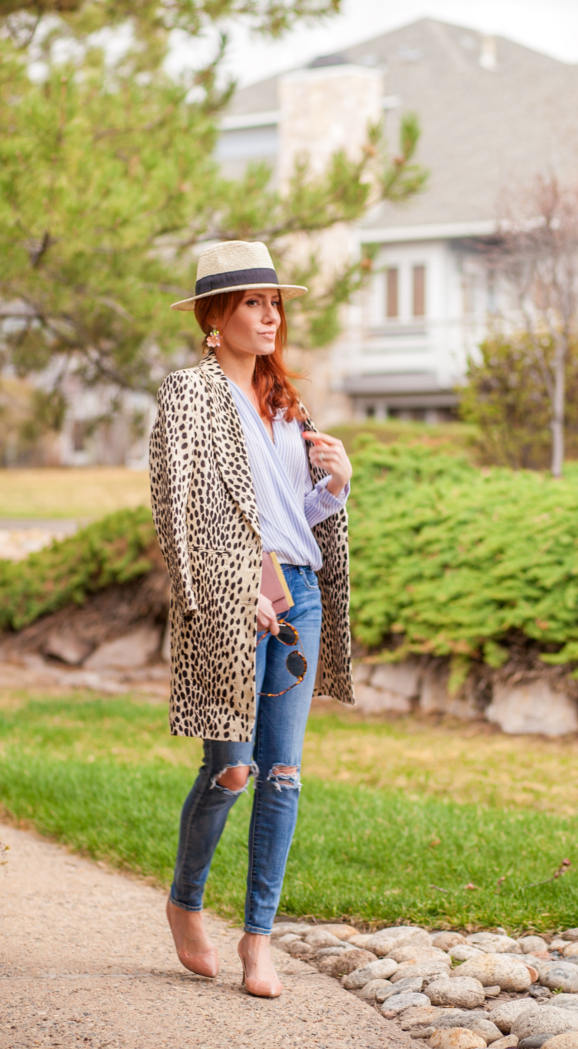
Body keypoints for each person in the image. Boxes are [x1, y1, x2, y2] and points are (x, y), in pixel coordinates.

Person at [149, 240, 355, 998]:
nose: (270, 317)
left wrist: (337, 484)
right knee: (231, 768)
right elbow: (177, 510)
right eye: (252, 303)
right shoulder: (189, 394)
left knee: (283, 772)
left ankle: (259, 938)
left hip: (299, 592)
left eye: (275, 304)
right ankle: (186, 901)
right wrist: (234, 591)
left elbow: (293, 518)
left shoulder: (287, 402)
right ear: (215, 317)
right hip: (229, 598)